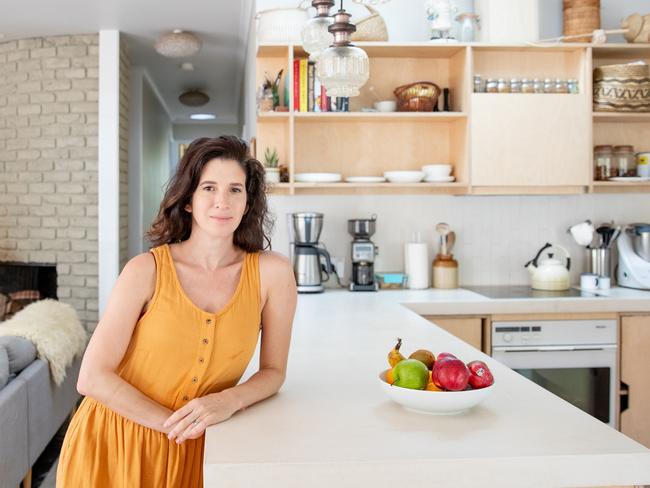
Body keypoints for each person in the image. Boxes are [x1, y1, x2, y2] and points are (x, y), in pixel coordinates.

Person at [57, 136, 297, 487]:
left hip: (199, 451)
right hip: (112, 445)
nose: (222, 201)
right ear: (187, 200)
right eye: (209, 188)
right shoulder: (145, 270)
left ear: (248, 203)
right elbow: (91, 377)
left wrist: (227, 401)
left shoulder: (272, 274)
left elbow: (274, 371)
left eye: (235, 190)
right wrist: (175, 427)